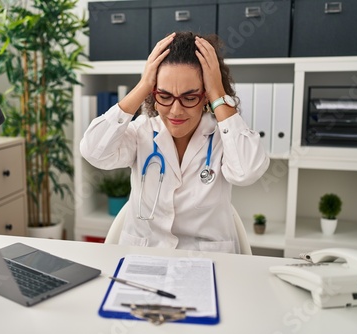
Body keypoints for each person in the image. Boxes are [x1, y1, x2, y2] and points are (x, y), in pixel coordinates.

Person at [80, 31, 269, 253]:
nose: (176, 111)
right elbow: (93, 151)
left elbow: (246, 171)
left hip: (209, 261)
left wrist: (217, 91)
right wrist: (143, 86)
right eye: (165, 96)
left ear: (205, 96)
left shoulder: (224, 136)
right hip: (144, 257)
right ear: (154, 94)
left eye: (190, 98)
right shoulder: (142, 131)